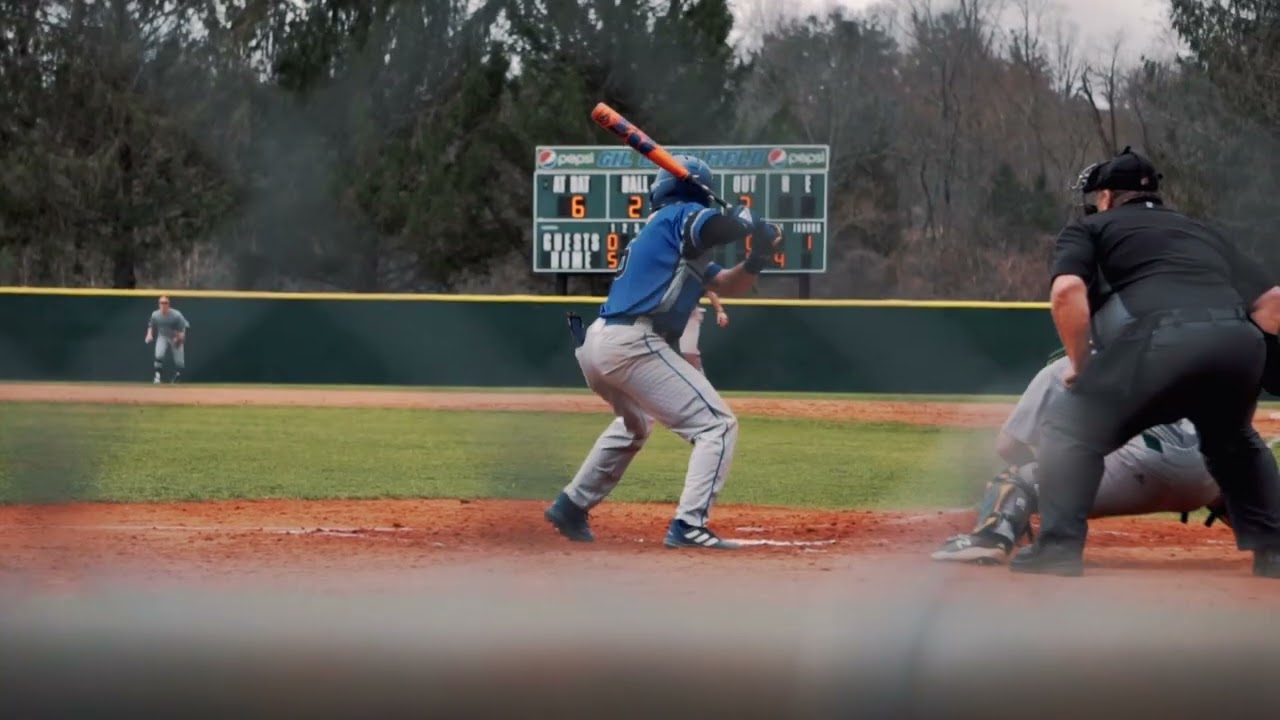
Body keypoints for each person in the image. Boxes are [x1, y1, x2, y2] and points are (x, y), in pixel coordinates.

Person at [1011, 146, 1280, 577]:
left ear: (1106, 197)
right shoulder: (1200, 231)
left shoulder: (1090, 228)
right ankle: (1276, 552)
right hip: (1237, 341)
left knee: (1070, 428)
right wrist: (1255, 368)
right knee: (1234, 441)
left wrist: (1081, 365)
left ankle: (1058, 549)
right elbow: (1272, 302)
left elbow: (1066, 293)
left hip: (1161, 340)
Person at [545, 155, 782, 550]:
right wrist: (746, 221)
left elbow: (727, 284)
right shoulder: (681, 216)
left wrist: (756, 255)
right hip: (631, 342)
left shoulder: (666, 234)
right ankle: (689, 526)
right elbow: (720, 227)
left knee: (635, 423)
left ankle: (572, 505)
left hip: (600, 345)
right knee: (717, 426)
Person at [932, 351, 1227, 565]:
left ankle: (991, 538)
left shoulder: (1064, 367)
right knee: (1243, 468)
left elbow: (1007, 446)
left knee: (1016, 477)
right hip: (1208, 478)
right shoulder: (1169, 357)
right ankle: (1270, 540)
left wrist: (1039, 478)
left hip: (1130, 476)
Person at [679, 290, 729, 374]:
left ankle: (699, 382)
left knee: (688, 352)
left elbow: (708, 289)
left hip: (689, 314)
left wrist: (720, 311)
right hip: (663, 316)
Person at [145, 295, 190, 383]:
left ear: (169, 304)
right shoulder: (155, 314)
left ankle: (177, 377)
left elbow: (182, 333)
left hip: (176, 335)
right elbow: (151, 325)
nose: (163, 305)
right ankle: (157, 377)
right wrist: (149, 334)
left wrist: (178, 339)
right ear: (159, 304)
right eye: (161, 303)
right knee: (159, 355)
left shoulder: (177, 315)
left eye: (165, 303)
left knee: (179, 362)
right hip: (163, 335)